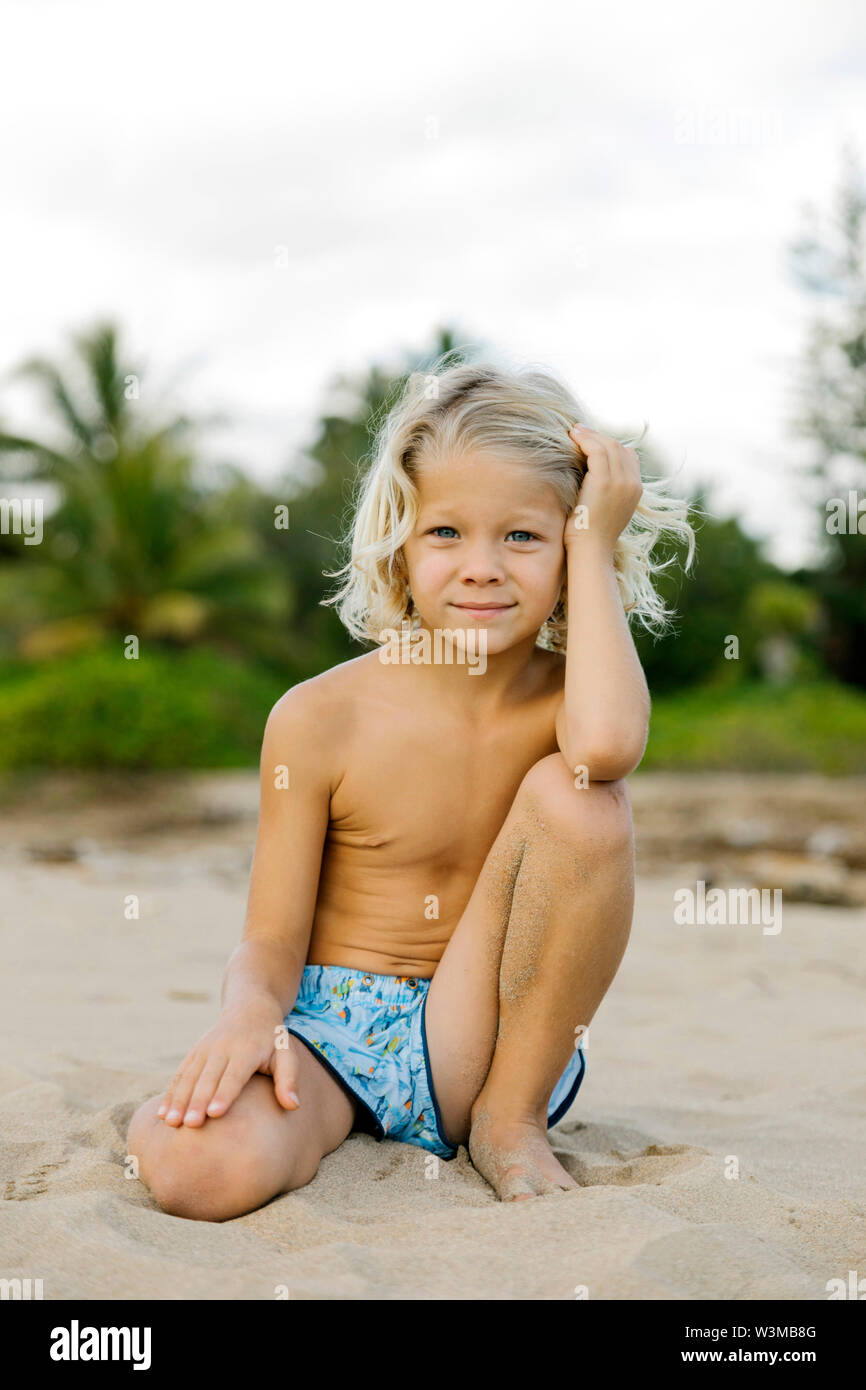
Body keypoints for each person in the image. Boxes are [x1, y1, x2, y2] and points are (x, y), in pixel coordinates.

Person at [127, 355, 694, 1219]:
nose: (482, 568)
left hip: (493, 1045)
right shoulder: (319, 717)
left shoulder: (568, 706)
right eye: (445, 534)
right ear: (396, 546)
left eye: (524, 536)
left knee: (581, 796)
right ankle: (219, 1117)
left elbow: (609, 748)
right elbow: (273, 938)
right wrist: (249, 1018)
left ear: (571, 546)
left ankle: (512, 1122)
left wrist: (593, 540)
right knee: (192, 1170)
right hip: (332, 1040)